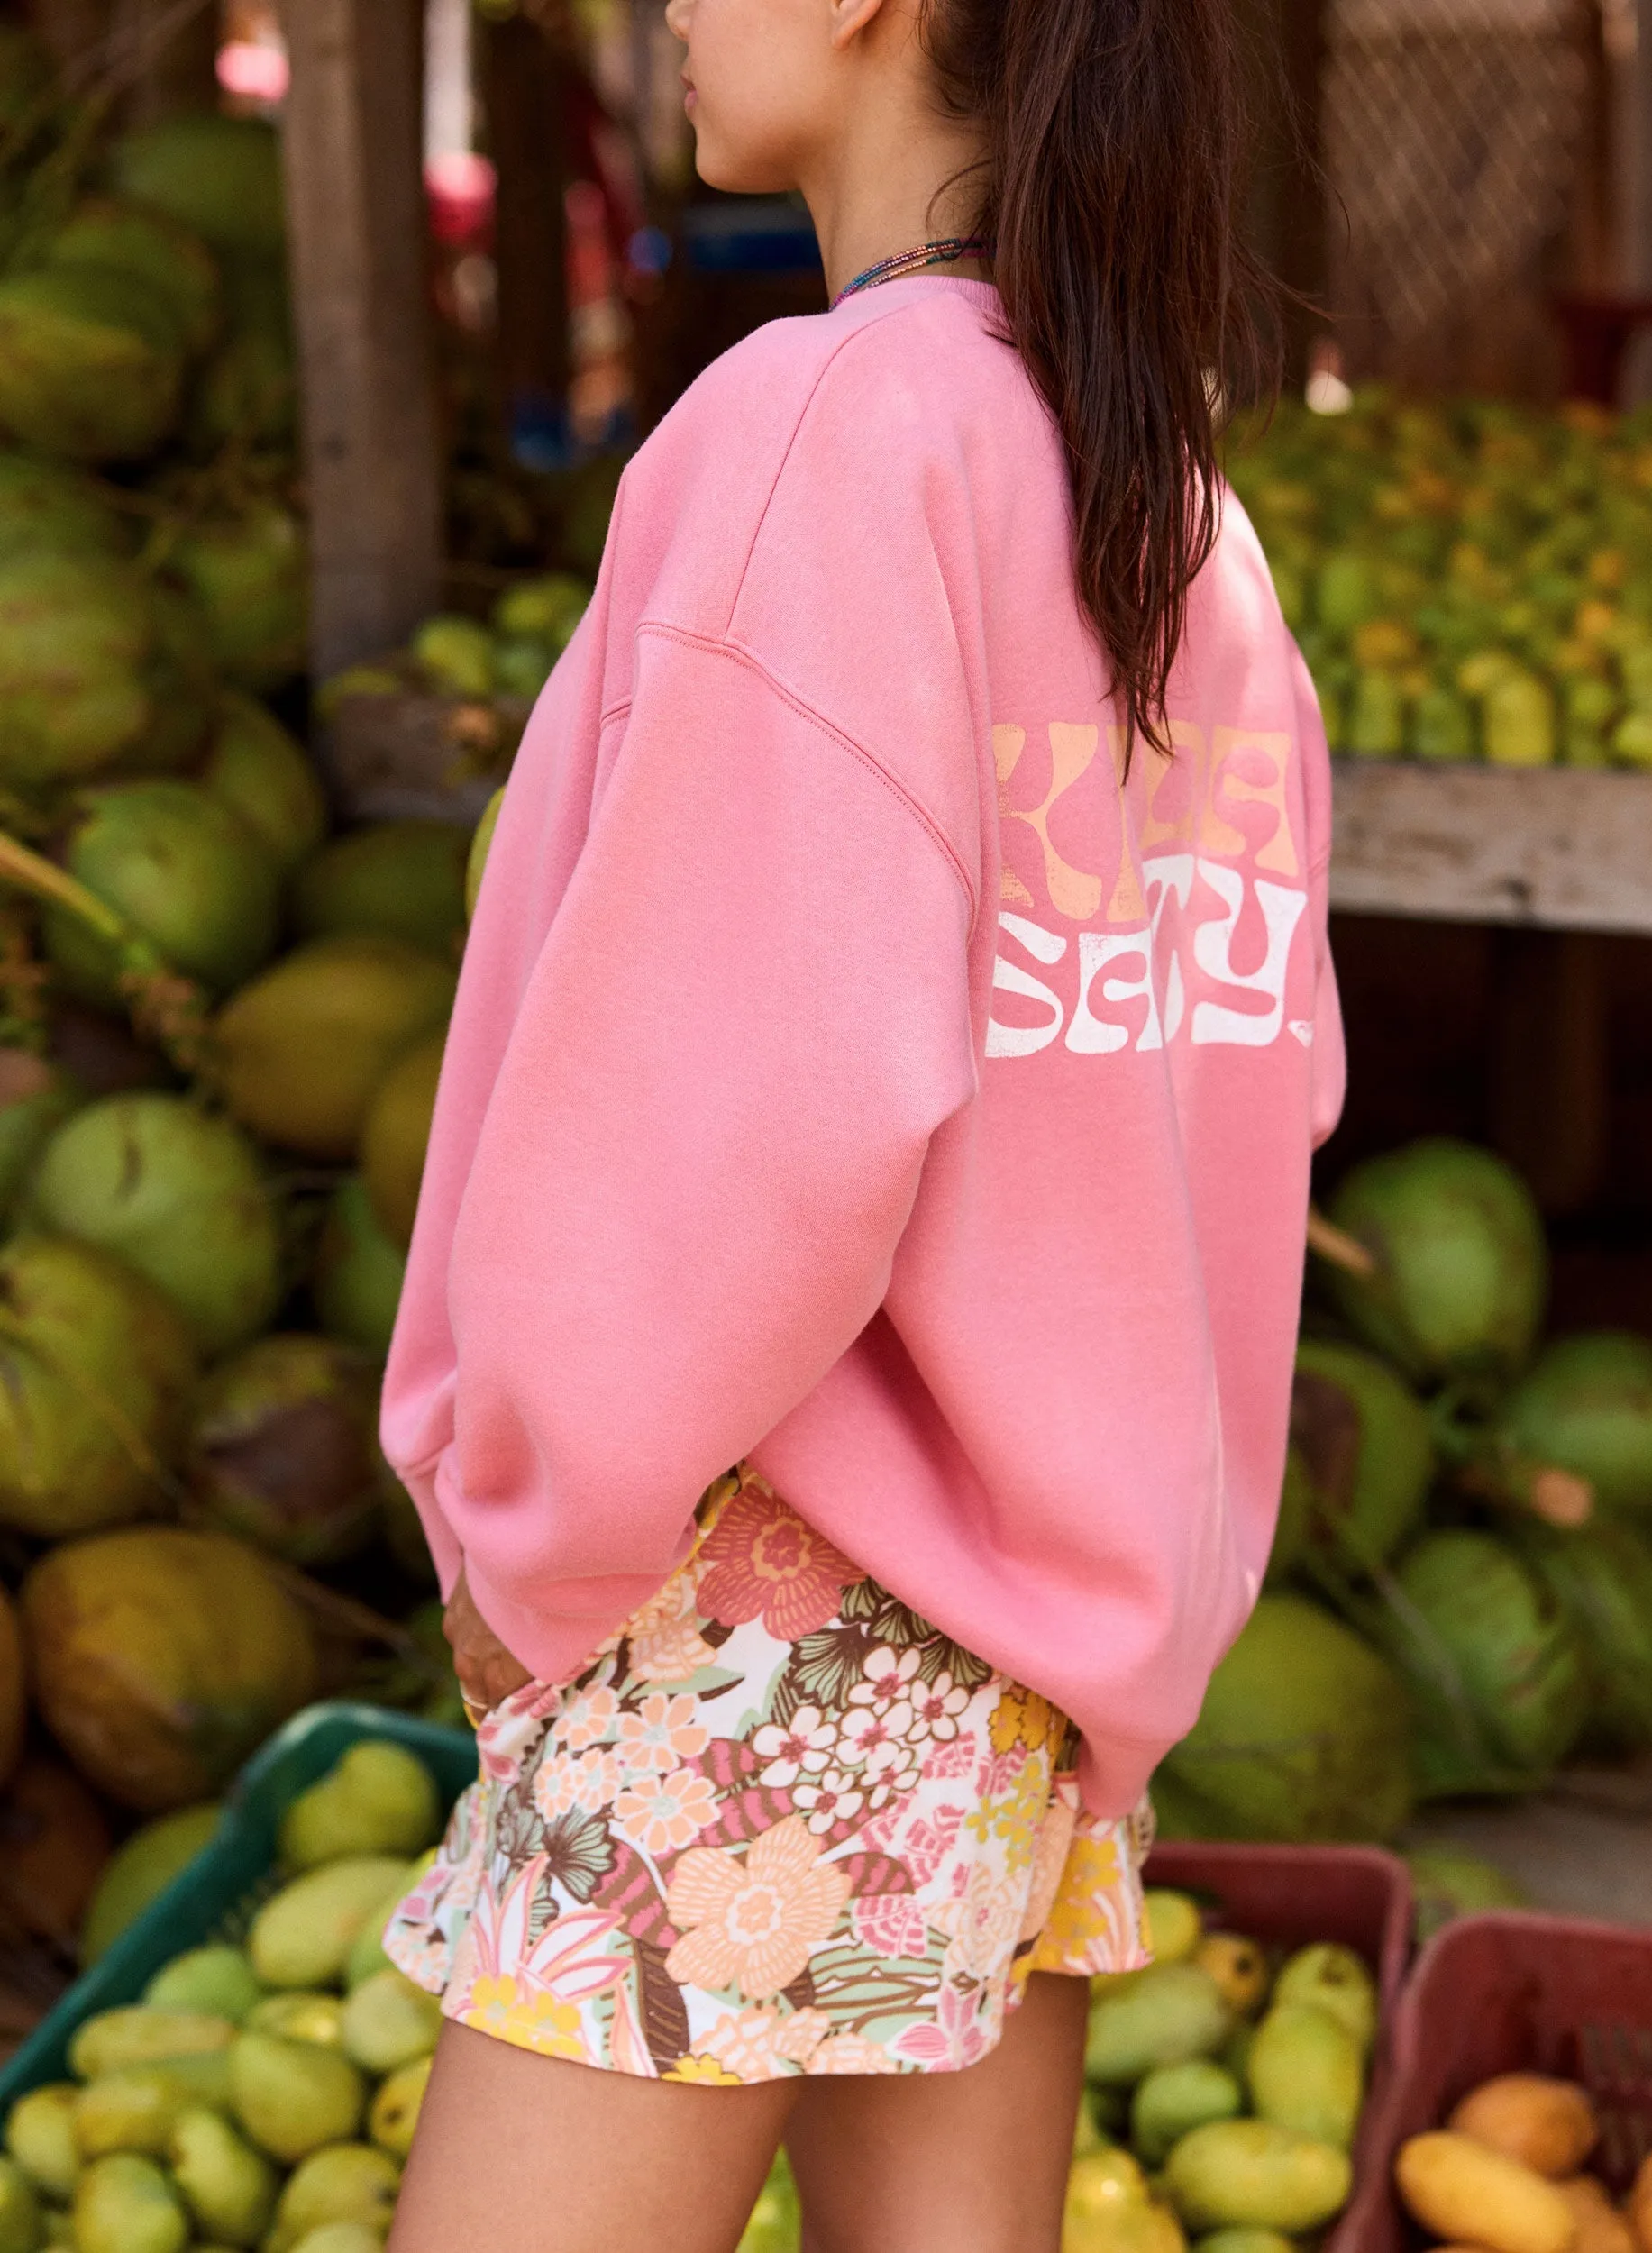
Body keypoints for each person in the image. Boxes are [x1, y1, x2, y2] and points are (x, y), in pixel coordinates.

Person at [380, 0, 1343, 2237]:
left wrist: (528, 1521)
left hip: (756, 1641)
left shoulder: (822, 428)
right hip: (1025, 1657)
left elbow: (722, 1124)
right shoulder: (1180, 513)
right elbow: (1246, 1093)